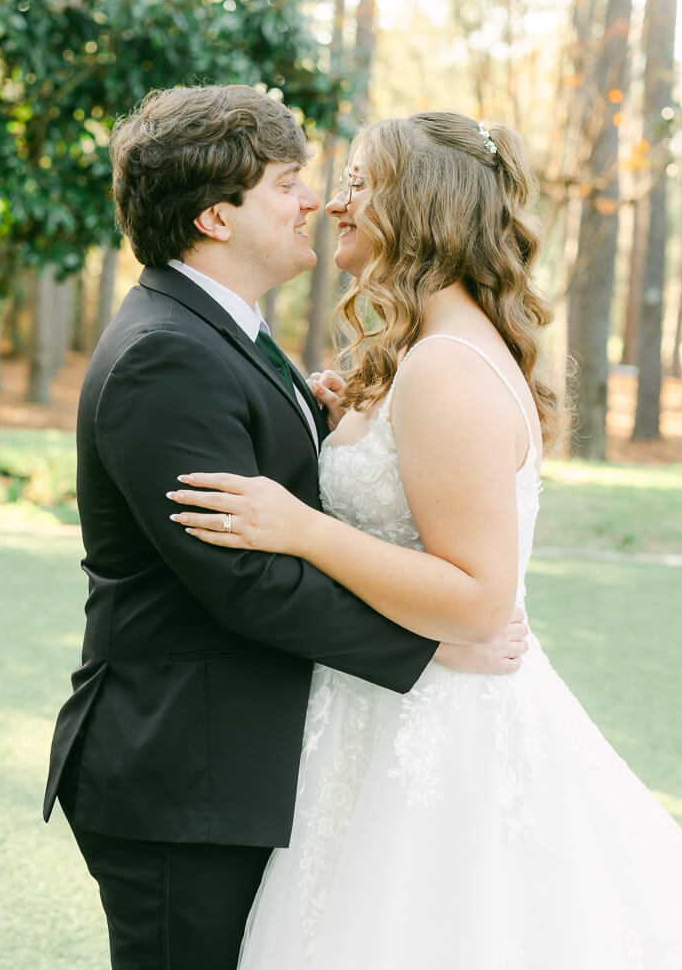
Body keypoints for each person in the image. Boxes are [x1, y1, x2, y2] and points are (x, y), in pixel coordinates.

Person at [171, 111, 682, 969]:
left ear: (418, 207)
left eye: (359, 186)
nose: (335, 205)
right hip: (377, 712)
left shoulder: (447, 366)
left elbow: (481, 601)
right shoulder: (427, 353)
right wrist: (341, 423)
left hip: (434, 736)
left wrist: (302, 528)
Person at [42, 87, 528, 970]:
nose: (315, 201)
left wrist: (316, 417)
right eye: (286, 183)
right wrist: (431, 648)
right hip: (181, 772)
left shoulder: (221, 334)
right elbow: (242, 576)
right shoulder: (165, 353)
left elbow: (260, 471)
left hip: (233, 767)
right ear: (216, 217)